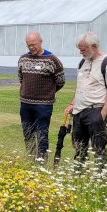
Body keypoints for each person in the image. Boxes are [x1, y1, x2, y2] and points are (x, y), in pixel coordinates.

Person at [64, 31, 107, 171]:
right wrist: (72, 104)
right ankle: (78, 176)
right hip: (79, 112)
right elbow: (80, 87)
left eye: (83, 50)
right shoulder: (83, 62)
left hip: (95, 110)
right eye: (79, 49)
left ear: (94, 46)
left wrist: (101, 115)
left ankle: (100, 177)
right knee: (78, 147)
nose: (80, 52)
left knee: (98, 147)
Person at [17, 31, 65, 161]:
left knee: (42, 133)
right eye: (28, 45)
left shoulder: (52, 60)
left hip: (43, 105)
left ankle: (41, 162)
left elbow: (60, 81)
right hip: (25, 104)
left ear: (40, 41)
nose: (31, 47)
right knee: (28, 133)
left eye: (33, 44)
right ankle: (31, 158)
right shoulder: (23, 59)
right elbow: (22, 78)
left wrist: (47, 93)